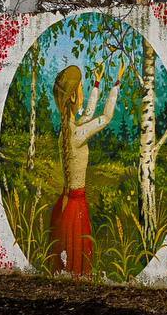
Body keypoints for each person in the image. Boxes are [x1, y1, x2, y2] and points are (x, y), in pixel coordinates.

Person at [49, 60, 125, 274]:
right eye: (81, 87)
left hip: (66, 203)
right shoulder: (76, 134)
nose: (82, 90)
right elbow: (106, 117)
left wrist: (97, 83)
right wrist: (117, 82)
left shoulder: (68, 130)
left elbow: (88, 114)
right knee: (77, 264)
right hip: (75, 207)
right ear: (73, 96)